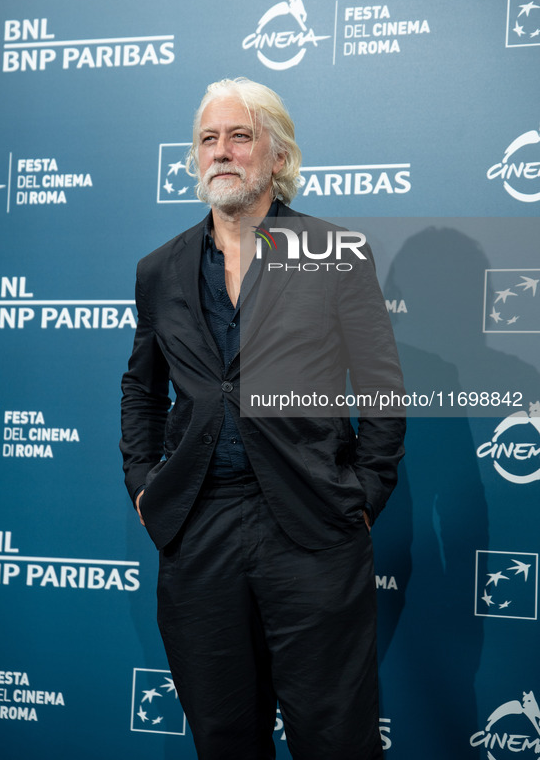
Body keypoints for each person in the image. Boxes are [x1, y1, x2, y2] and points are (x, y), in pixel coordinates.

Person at [120, 77, 405, 759]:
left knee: (334, 737)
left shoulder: (331, 253)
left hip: (310, 526)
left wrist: (362, 495)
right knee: (223, 737)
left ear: (276, 155)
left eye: (239, 136)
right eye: (208, 139)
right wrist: (141, 478)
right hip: (198, 530)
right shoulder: (158, 269)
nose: (222, 152)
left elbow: (381, 388)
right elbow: (141, 387)